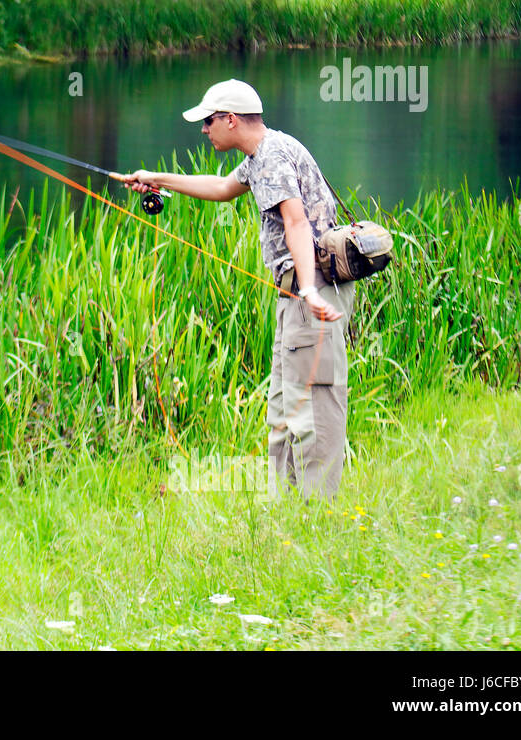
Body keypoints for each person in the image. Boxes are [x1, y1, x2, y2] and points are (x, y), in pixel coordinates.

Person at [111, 79, 355, 499]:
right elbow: (223, 189)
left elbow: (296, 222)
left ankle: (320, 516)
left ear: (230, 119)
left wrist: (311, 291)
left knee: (313, 410)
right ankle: (289, 510)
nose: (204, 130)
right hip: (295, 298)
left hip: (308, 294)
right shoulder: (262, 155)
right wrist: (156, 179)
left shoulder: (273, 157)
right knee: (283, 410)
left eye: (209, 121)